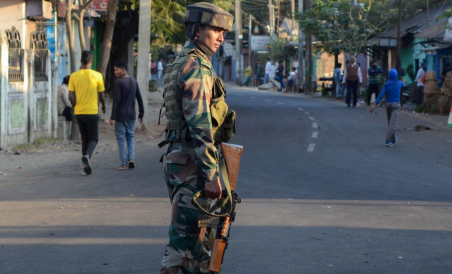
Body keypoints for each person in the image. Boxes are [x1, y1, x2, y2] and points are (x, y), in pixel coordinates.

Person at [158, 3, 235, 273]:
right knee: (184, 246)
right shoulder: (196, 67)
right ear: (197, 30)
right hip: (193, 167)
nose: (221, 37)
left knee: (197, 246)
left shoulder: (183, 60)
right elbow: (200, 125)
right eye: (215, 30)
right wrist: (212, 174)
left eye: (223, 31)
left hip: (182, 162)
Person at [68, 51, 106, 175]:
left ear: (81, 62)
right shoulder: (97, 75)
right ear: (91, 62)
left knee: (84, 138)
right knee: (94, 139)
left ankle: (85, 167)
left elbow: (70, 96)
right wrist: (104, 106)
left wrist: (75, 107)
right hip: (91, 112)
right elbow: (101, 95)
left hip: (79, 112)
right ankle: (88, 156)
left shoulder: (73, 76)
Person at [109, 61, 144, 170]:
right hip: (131, 115)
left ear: (124, 70)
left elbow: (116, 101)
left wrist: (112, 117)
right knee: (130, 137)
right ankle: (131, 159)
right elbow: (139, 98)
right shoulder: (134, 81)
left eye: (117, 70)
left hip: (120, 115)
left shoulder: (118, 83)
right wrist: (141, 113)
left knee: (120, 138)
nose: (115, 72)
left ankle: (124, 163)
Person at [370, 68, 403, 147]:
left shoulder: (386, 84)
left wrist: (374, 105)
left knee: (390, 123)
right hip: (396, 105)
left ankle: (393, 138)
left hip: (388, 105)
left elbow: (381, 95)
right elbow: (404, 85)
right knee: (392, 123)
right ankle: (388, 140)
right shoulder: (399, 83)